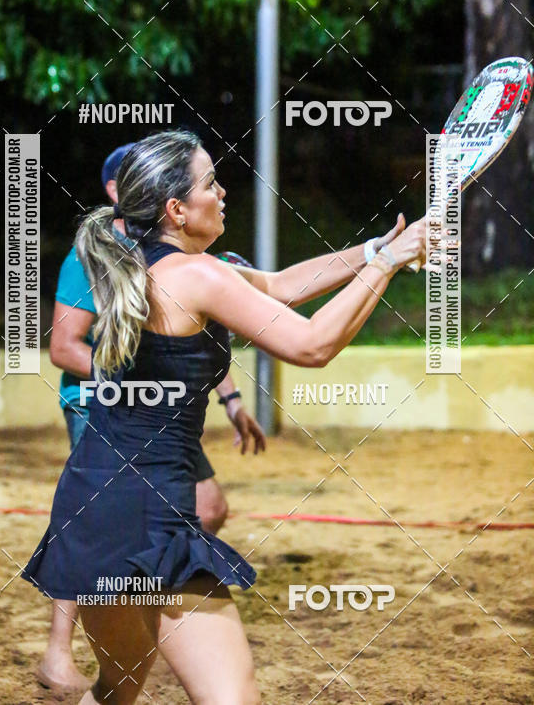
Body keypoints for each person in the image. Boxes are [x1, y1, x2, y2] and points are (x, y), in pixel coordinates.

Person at [23, 129, 426, 704]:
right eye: (210, 182)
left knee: (118, 688)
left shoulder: (143, 262)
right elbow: (312, 345)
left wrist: (373, 251)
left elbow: (283, 285)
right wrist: (390, 262)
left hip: (92, 511)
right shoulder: (199, 276)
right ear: (176, 209)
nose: (224, 191)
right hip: (148, 517)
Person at [37, 144, 265, 693]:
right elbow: (64, 346)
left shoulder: (192, 268)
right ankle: (58, 648)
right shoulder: (92, 258)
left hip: (168, 414)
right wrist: (129, 382)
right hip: (107, 412)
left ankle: (146, 605)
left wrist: (230, 400)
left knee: (205, 507)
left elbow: (197, 339)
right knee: (98, 530)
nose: (220, 191)